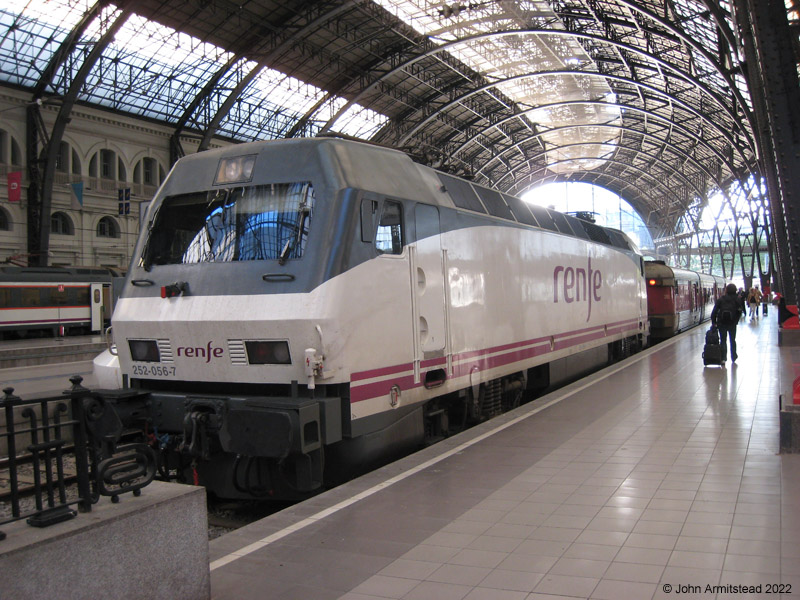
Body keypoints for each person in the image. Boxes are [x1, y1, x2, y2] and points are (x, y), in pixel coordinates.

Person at [711, 283, 742, 362]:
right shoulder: (737, 300)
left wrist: (714, 322)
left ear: (727, 290)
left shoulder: (721, 299)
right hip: (732, 323)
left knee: (723, 340)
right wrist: (736, 320)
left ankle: (723, 358)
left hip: (722, 323)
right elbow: (739, 311)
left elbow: (714, 312)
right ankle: (733, 356)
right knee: (732, 340)